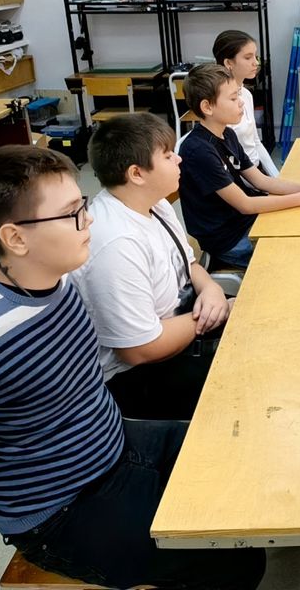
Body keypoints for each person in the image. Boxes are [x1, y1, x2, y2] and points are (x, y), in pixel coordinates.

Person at [0, 145, 264, 589]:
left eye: (84, 205)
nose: (88, 220)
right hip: (61, 511)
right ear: (16, 239)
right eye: (72, 213)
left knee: (234, 461)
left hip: (114, 447)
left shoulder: (59, 284)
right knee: (235, 559)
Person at [73, 113, 231, 421]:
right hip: (143, 378)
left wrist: (211, 289)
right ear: (136, 173)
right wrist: (216, 314)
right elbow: (139, 349)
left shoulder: (155, 203)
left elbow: (189, 263)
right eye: (168, 155)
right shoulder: (117, 243)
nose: (179, 159)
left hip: (180, 331)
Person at [179, 64, 300, 268]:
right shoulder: (198, 151)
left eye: (238, 95)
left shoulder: (227, 134)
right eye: (233, 99)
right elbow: (245, 205)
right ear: (207, 107)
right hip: (229, 240)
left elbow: (261, 180)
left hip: (246, 223)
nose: (241, 102)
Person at [212, 30, 273, 172]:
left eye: (256, 56)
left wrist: (276, 175)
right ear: (228, 63)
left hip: (255, 171)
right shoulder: (219, 103)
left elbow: (256, 142)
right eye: (248, 57)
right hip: (238, 175)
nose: (256, 63)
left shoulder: (246, 95)